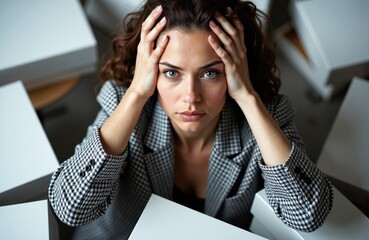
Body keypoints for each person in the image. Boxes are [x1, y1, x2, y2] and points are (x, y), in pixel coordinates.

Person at [48, 0, 333, 239]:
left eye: (210, 73)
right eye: (171, 72)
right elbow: (71, 208)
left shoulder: (264, 119)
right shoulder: (124, 106)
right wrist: (136, 93)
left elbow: (308, 215)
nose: (191, 97)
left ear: (237, 70)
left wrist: (247, 96)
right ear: (150, 71)